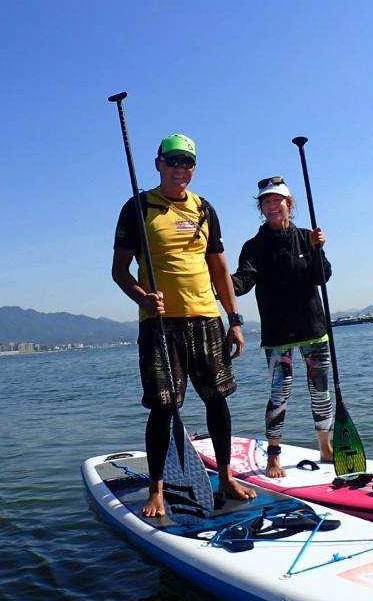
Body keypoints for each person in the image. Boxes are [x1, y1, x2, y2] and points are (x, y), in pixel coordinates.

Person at [112, 133, 256, 517]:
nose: (181, 168)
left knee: (217, 400)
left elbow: (220, 269)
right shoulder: (138, 207)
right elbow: (119, 270)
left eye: (188, 162)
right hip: (160, 325)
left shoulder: (205, 209)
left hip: (206, 319)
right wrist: (142, 296)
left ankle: (225, 476)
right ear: (158, 163)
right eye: (173, 161)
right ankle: (156, 488)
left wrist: (235, 320)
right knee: (163, 408)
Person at [230, 175, 334, 478]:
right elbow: (243, 281)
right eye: (266, 201)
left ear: (289, 203)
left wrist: (318, 250)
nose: (272, 205)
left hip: (314, 328)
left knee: (321, 391)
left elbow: (321, 277)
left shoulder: (307, 237)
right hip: (278, 335)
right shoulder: (254, 246)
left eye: (277, 200)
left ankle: (325, 447)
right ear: (261, 208)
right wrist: (217, 279)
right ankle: (273, 457)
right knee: (280, 393)